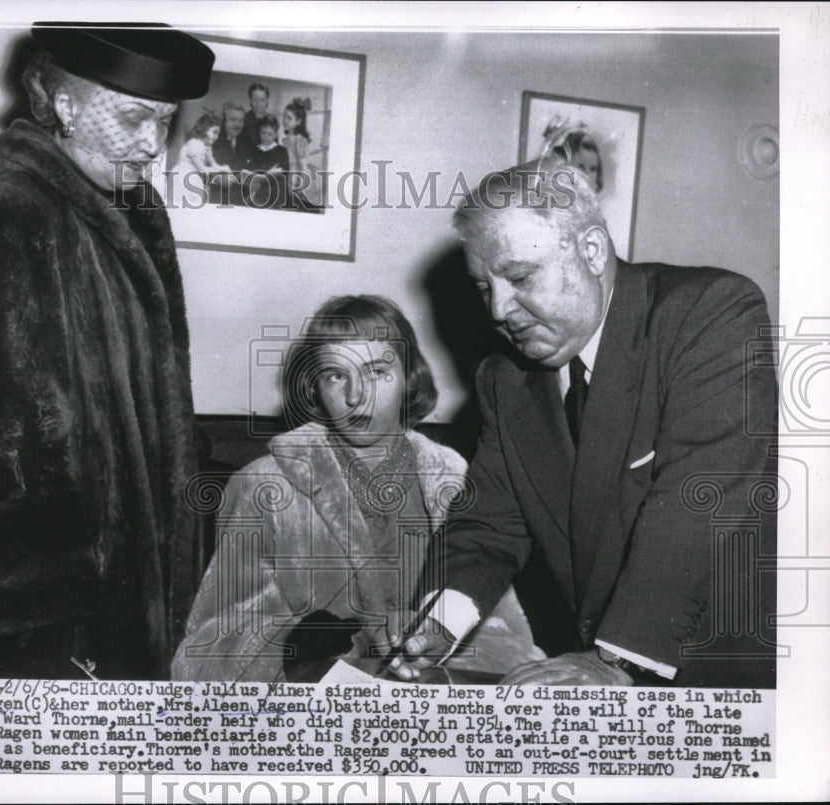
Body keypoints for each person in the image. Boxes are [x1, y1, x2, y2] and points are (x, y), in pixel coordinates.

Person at [0, 22, 215, 680]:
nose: (153, 143)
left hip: (120, 582)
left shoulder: (128, 213)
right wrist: (53, 639)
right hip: (49, 625)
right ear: (65, 104)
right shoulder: (12, 208)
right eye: (135, 118)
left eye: (166, 121)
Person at [387, 160, 778, 688]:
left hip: (722, 670)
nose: (500, 310)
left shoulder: (709, 314)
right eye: (484, 288)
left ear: (592, 251)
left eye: (520, 277)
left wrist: (613, 661)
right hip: (594, 666)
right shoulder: (505, 379)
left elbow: (698, 500)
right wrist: (442, 619)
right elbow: (490, 522)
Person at [172, 295, 542, 682]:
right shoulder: (263, 487)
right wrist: (344, 646)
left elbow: (508, 646)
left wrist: (429, 655)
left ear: (409, 378)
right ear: (314, 387)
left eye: (377, 372)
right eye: (336, 375)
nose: (356, 397)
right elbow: (210, 658)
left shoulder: (454, 480)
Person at [282, 97, 320, 207]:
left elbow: (303, 166)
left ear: (298, 121)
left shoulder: (299, 140)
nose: (285, 120)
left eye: (289, 118)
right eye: (284, 117)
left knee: (297, 204)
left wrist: (301, 186)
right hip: (287, 176)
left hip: (296, 178)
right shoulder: (286, 139)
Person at [174, 110, 232, 175]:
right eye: (214, 132)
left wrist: (224, 168)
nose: (217, 137)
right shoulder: (194, 143)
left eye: (218, 134)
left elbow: (214, 166)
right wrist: (222, 169)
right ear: (205, 129)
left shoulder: (206, 147)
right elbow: (202, 170)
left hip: (193, 177)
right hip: (182, 176)